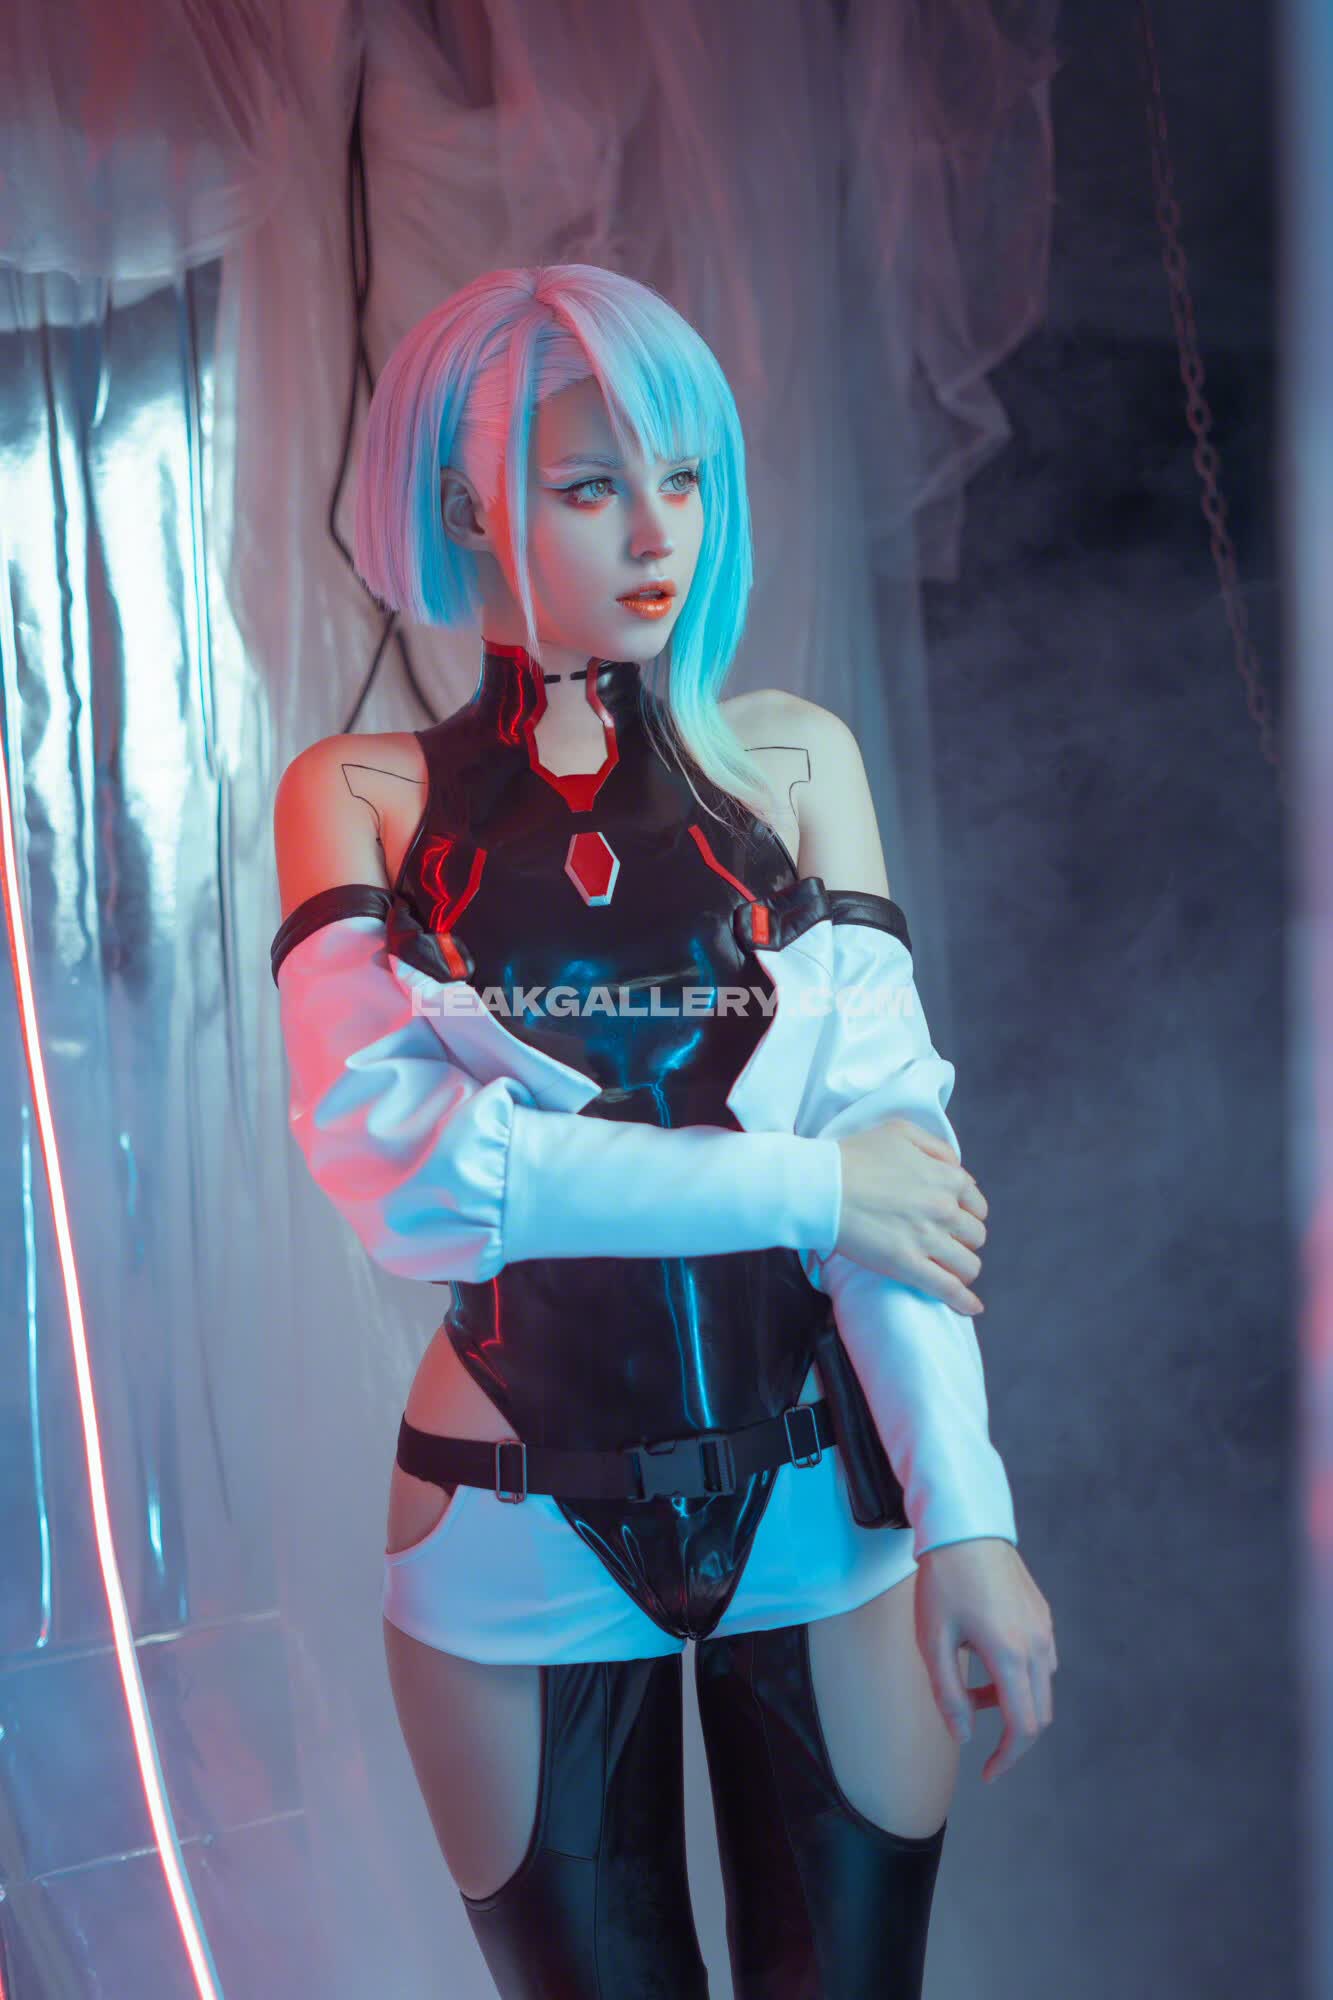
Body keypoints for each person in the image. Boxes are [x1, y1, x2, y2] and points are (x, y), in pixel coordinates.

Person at [270, 264, 1056, 1998]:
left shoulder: (792, 766)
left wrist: (968, 1516)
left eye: (684, 477)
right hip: (508, 1507)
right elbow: (413, 1181)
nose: (657, 532)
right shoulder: (363, 797)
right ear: (467, 509)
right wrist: (807, 1188)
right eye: (588, 484)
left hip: (817, 1494)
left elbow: (899, 1184)